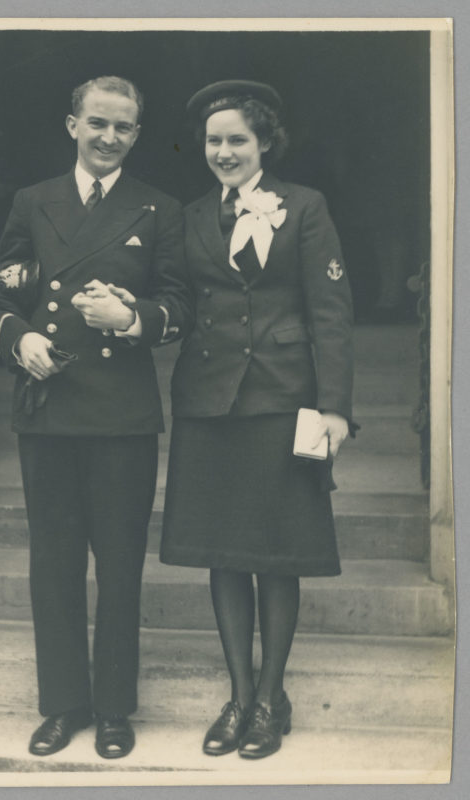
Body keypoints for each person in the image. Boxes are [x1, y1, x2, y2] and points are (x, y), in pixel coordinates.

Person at [0, 75, 191, 759]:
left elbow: (179, 307)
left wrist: (129, 319)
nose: (108, 138)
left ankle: (114, 709)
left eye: (122, 127)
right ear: (72, 125)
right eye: (96, 123)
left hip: (122, 415)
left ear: (137, 134)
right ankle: (62, 704)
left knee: (121, 565)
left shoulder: (158, 209)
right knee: (55, 562)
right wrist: (21, 339)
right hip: (48, 408)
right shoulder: (31, 202)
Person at [159, 80, 355, 759]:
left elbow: (330, 313)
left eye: (237, 139)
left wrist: (334, 408)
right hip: (209, 401)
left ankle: (271, 698)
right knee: (223, 552)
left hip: (284, 399)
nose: (224, 152)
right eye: (214, 141)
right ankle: (239, 696)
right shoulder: (188, 217)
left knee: (276, 554)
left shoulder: (305, 207)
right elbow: (178, 302)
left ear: (264, 142)